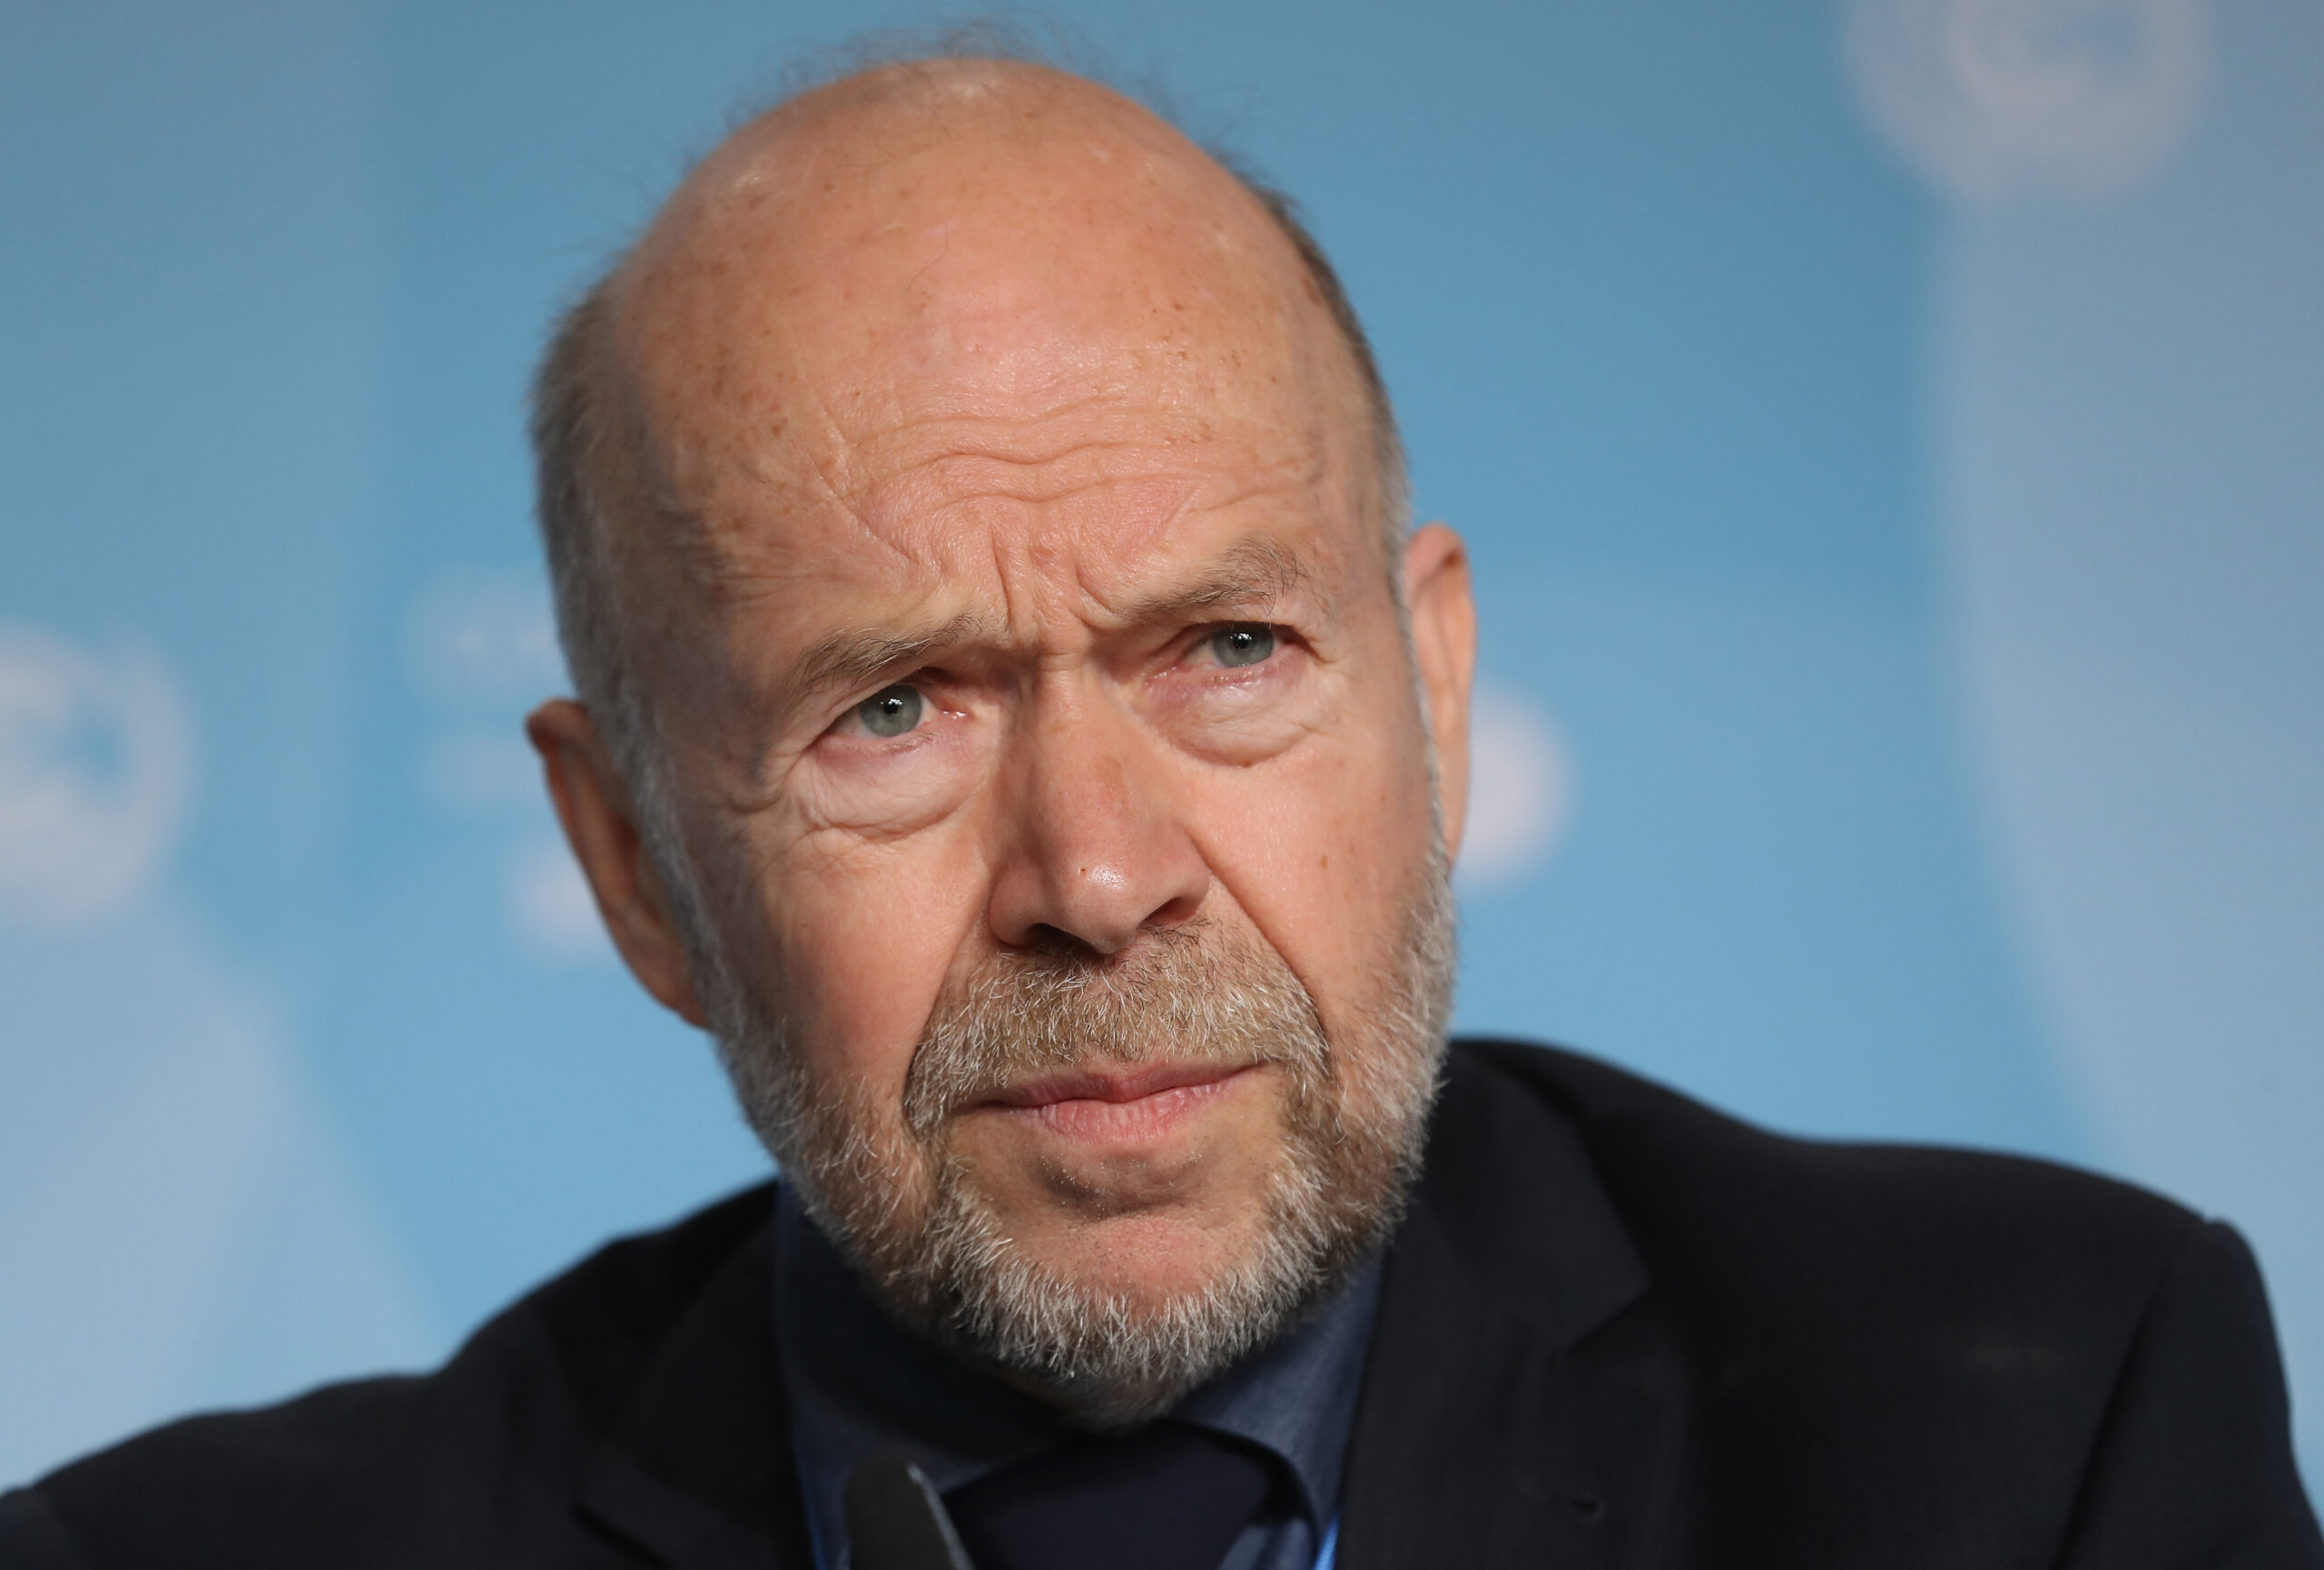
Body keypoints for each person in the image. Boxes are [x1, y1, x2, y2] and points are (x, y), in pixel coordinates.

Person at [3, 48, 2317, 1570]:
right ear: (634, 866)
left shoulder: (2022, 1433)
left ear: (1431, 687)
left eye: (1225, 651)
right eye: (894, 707)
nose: (1099, 879)